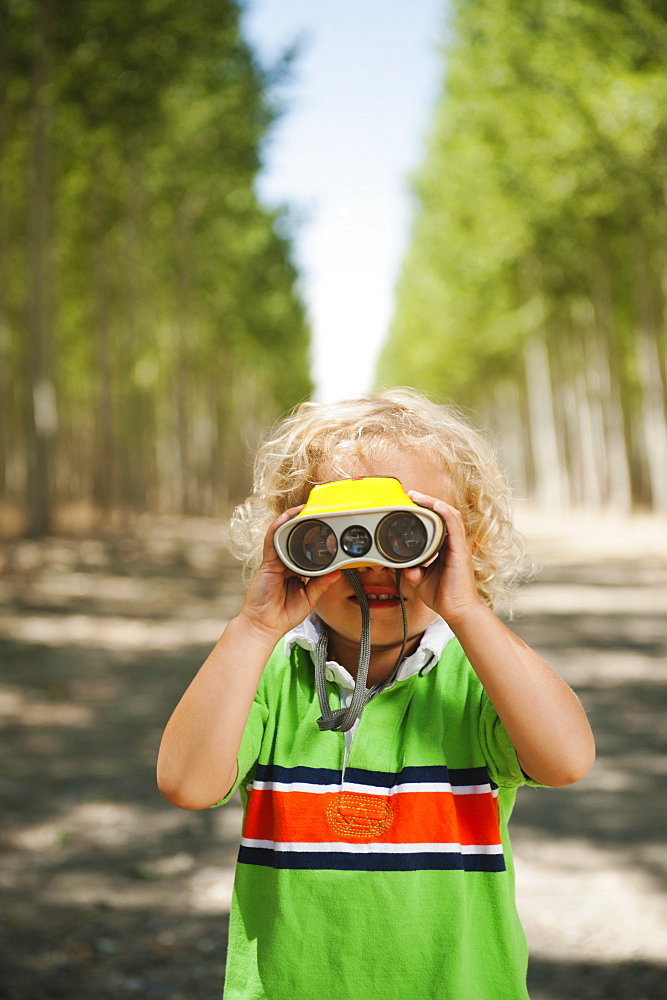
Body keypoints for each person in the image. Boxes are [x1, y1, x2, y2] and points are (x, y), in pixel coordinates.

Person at [157, 388, 595, 1000]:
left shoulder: (477, 679)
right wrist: (254, 628)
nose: (372, 566)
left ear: (463, 543)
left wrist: (467, 610)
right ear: (292, 544)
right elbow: (187, 784)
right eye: (333, 538)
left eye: (405, 534)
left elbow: (567, 760)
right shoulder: (271, 675)